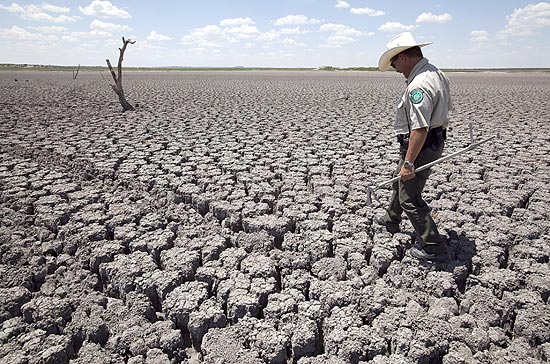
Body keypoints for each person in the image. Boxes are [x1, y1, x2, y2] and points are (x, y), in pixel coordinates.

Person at [376, 32, 452, 262]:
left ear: (405, 57)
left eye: (395, 62)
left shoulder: (419, 84)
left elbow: (420, 128)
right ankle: (391, 218)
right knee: (400, 180)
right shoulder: (435, 73)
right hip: (429, 141)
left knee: (410, 196)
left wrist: (409, 162)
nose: (395, 68)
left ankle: (433, 247)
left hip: (421, 145)